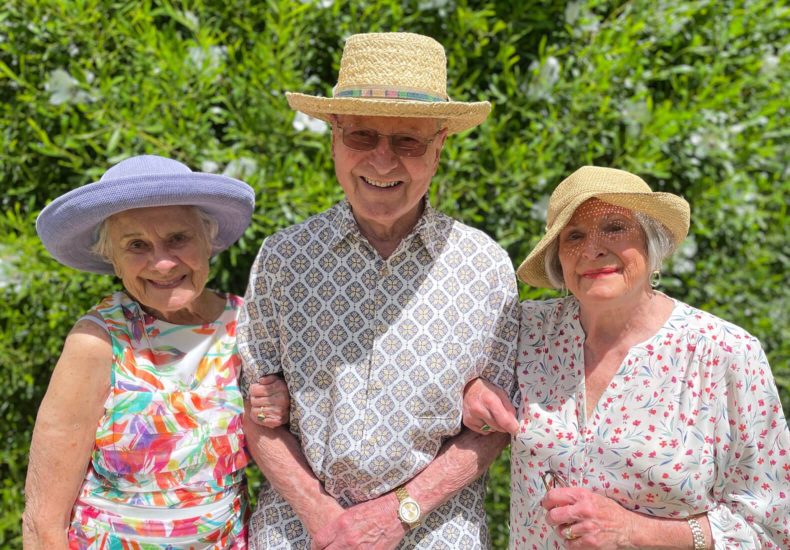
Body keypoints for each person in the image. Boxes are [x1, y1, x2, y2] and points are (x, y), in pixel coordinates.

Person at [238, 32, 520, 549]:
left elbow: (493, 425)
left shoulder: (486, 268)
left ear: (439, 148)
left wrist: (400, 513)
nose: (383, 161)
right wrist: (321, 514)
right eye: (362, 137)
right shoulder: (283, 259)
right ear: (333, 142)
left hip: (436, 534)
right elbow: (254, 410)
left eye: (408, 141)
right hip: (300, 534)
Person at [463, 166, 790, 549]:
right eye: (574, 236)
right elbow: (444, 375)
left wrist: (633, 531)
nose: (593, 249)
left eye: (615, 228)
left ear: (653, 243)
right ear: (558, 257)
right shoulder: (527, 332)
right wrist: (471, 388)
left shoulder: (724, 354)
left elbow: (771, 527)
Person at [24, 155, 288, 549]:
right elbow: (43, 521)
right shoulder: (97, 341)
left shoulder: (247, 325)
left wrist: (283, 407)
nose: (162, 263)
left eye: (178, 238)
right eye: (136, 245)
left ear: (208, 239)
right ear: (112, 259)